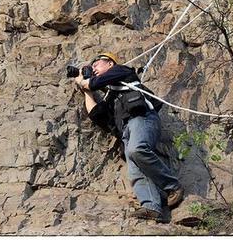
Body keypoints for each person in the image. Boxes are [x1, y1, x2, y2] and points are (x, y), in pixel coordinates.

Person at [74, 52, 184, 221]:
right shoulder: (111, 95)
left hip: (142, 119)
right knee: (136, 171)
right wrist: (86, 91)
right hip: (126, 131)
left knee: (137, 150)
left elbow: (94, 83)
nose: (93, 68)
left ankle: (172, 186)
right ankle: (151, 207)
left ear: (110, 63)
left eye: (96, 64)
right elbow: (97, 115)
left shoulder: (123, 71)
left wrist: (84, 81)